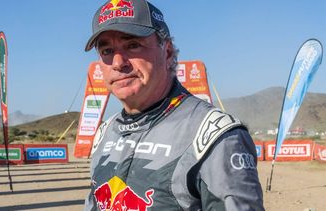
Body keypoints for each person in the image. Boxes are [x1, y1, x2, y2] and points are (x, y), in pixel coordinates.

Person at [83, 0, 264, 210]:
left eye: (133, 45)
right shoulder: (105, 132)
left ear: (167, 52)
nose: (118, 62)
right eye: (106, 51)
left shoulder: (214, 136)